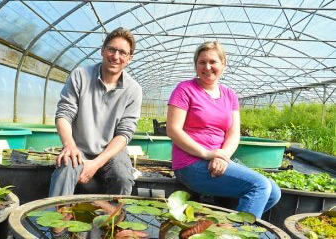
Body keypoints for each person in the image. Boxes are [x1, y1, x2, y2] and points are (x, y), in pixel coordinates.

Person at [166, 41, 280, 218]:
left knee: (274, 192)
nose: (207, 67)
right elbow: (173, 130)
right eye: (202, 62)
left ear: (223, 64)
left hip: (220, 159)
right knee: (260, 185)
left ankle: (227, 227)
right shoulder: (185, 89)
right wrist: (207, 154)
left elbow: (233, 132)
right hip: (190, 163)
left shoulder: (229, 95)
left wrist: (223, 156)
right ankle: (238, 234)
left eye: (213, 62)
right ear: (196, 65)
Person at [49, 27, 142, 197]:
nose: (115, 56)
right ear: (102, 50)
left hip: (111, 151)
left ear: (130, 58)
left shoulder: (133, 89)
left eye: (122, 52)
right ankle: (57, 221)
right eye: (112, 49)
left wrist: (96, 163)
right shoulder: (80, 75)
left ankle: (113, 221)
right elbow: (64, 114)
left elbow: (124, 133)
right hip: (78, 146)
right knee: (65, 171)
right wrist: (69, 145)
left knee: (122, 177)